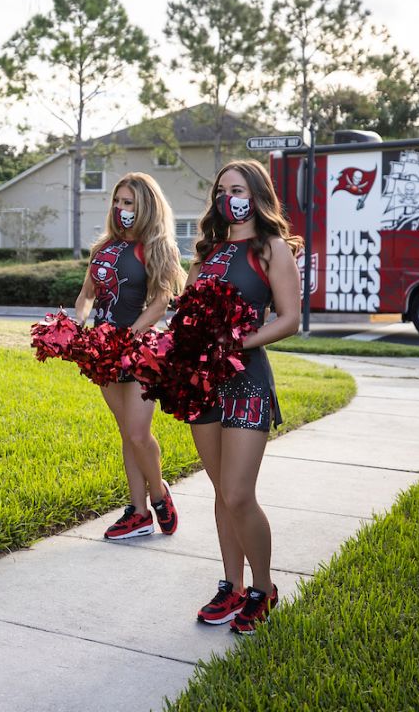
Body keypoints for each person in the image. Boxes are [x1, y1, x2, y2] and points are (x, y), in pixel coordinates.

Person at [186, 160, 303, 634]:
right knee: (220, 493)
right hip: (201, 381)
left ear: (256, 194)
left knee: (238, 493)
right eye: (221, 191)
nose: (227, 198)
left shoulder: (272, 248)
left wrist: (237, 342)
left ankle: (263, 588)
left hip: (247, 378)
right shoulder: (206, 253)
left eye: (237, 189)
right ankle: (231, 586)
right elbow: (189, 316)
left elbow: (289, 319)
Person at [73, 173, 187, 540]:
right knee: (126, 432)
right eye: (118, 202)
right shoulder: (103, 248)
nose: (121, 209)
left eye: (130, 203)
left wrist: (130, 337)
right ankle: (137, 513)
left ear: (146, 207)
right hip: (104, 352)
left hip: (140, 351)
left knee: (138, 433)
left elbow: (160, 303)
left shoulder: (159, 248)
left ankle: (158, 495)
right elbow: (87, 294)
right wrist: (77, 323)